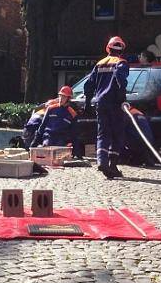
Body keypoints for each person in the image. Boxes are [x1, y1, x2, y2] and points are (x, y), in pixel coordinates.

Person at [84, 36, 129, 179]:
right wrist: (122, 98)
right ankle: (112, 164)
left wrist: (87, 101)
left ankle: (102, 161)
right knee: (117, 134)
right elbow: (120, 79)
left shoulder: (99, 64)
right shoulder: (121, 63)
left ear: (108, 48)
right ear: (121, 50)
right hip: (115, 103)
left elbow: (89, 84)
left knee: (103, 133)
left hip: (101, 103)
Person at [30, 86, 81, 156]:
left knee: (57, 152)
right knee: (47, 149)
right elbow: (42, 126)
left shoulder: (72, 114)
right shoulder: (51, 109)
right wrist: (34, 143)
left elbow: (74, 134)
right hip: (48, 137)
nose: (61, 99)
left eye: (64, 97)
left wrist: (77, 152)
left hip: (61, 139)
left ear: (68, 99)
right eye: (60, 96)